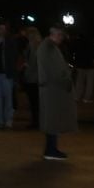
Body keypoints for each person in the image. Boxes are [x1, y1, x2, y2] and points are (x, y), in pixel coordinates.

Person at [37, 25, 77, 160]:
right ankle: (50, 150)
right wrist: (66, 80)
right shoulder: (48, 48)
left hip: (52, 89)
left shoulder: (48, 47)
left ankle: (51, 149)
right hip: (52, 90)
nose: (62, 38)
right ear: (55, 34)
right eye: (61, 35)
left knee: (53, 120)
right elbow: (54, 71)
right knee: (52, 120)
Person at [21, 26, 43, 128]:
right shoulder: (40, 45)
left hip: (33, 77)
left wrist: (26, 65)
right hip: (37, 77)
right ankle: (38, 121)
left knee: (34, 102)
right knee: (37, 102)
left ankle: (36, 122)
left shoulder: (33, 46)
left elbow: (31, 62)